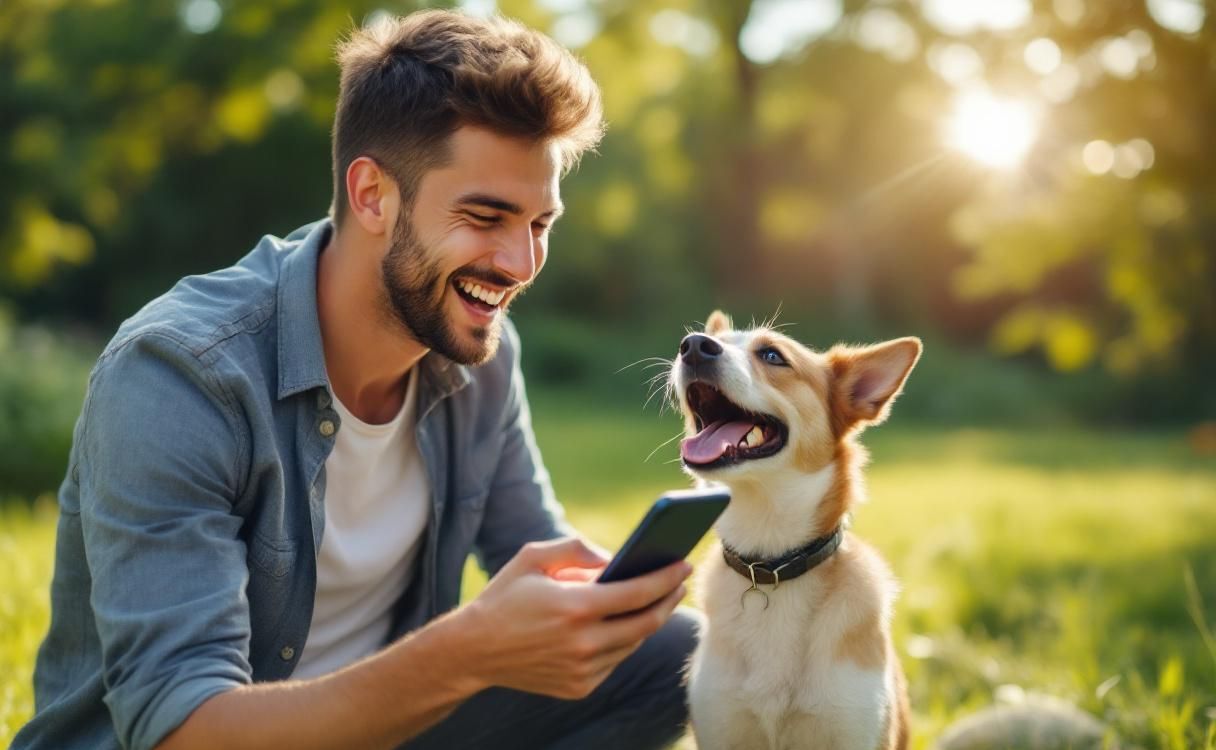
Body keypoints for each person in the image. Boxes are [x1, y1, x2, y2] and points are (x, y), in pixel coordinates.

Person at [14, 9, 699, 750]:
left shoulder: (481, 358)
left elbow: (535, 549)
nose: (519, 264)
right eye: (485, 216)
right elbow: (183, 730)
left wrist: (610, 600)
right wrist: (465, 652)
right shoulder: (179, 376)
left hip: (381, 732)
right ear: (373, 195)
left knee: (669, 656)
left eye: (539, 224)